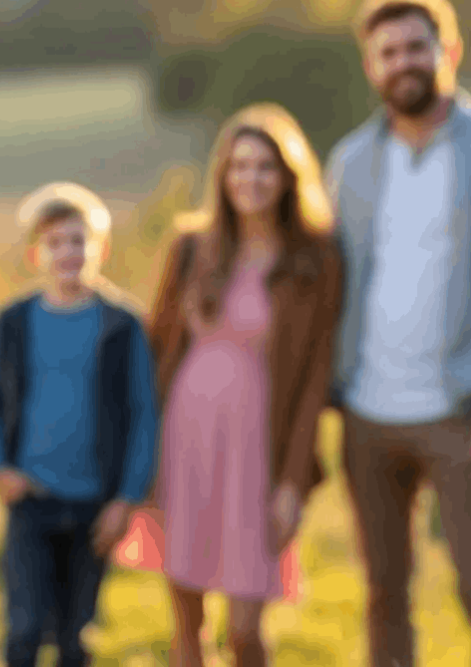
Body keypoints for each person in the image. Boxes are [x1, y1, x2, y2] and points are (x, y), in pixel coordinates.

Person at [326, 0, 471, 667]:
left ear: (448, 50)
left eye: (416, 47)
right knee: (384, 594)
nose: (404, 63)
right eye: (388, 53)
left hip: (464, 411)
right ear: (372, 66)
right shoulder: (350, 161)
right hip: (367, 412)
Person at [148, 103, 342, 667]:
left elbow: (314, 381)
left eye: (263, 167)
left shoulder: (315, 259)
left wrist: (293, 482)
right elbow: (156, 348)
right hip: (184, 437)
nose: (249, 179)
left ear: (287, 177)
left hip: (260, 451)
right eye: (238, 166)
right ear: (222, 175)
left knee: (245, 632)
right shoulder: (190, 246)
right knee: (188, 629)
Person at [0, 182, 161, 667]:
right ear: (35, 253)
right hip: (30, 501)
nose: (67, 252)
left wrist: (126, 500)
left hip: (95, 508)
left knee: (76, 638)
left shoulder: (123, 325)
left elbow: (144, 412)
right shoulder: (13, 321)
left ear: (101, 247)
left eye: (78, 240)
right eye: (55, 242)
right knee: (23, 631)